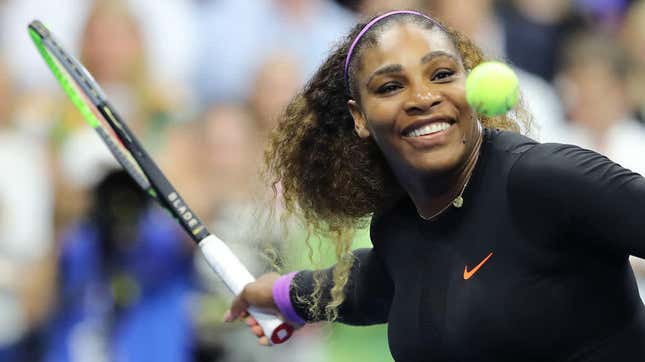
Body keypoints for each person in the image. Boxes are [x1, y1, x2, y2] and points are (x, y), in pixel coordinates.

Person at [226, 10, 645, 361]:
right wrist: (283, 295)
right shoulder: (399, 226)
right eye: (391, 86)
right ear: (359, 117)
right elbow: (374, 284)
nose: (423, 96)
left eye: (442, 74)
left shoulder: (546, 178)